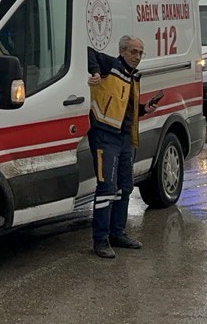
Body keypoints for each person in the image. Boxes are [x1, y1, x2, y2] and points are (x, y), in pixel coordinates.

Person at [86, 35, 158, 259]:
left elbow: (125, 107)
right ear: (123, 51)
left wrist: (144, 108)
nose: (137, 56)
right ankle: (101, 239)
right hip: (104, 135)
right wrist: (95, 71)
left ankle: (117, 233)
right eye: (133, 52)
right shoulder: (110, 65)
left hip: (124, 138)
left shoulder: (133, 76)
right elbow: (86, 51)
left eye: (140, 52)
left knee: (124, 188)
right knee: (106, 188)